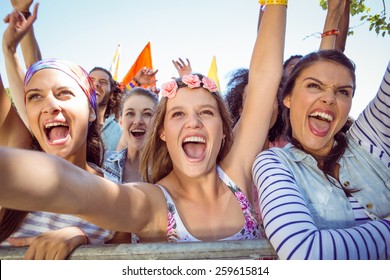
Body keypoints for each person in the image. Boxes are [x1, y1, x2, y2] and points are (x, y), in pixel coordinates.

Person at [0, 3, 288, 244]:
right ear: (162, 132)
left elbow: (264, 79)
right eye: (178, 114)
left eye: (206, 113)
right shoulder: (152, 202)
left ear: (224, 130)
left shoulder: (237, 175)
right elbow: (73, 188)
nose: (194, 123)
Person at [1, 5, 115, 259]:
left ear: (92, 110)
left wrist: (81, 237)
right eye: (35, 97)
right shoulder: (16, 158)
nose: (50, 105)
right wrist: (8, 49)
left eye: (64, 93)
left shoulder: (117, 195)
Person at [252, 51, 390, 260]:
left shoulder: (370, 139)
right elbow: (304, 254)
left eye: (343, 92)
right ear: (288, 97)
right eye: (314, 85)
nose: (329, 98)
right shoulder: (272, 162)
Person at [104, 87, 158, 183]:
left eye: (147, 114)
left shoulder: (167, 172)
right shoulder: (102, 162)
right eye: (130, 113)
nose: (138, 121)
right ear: (121, 122)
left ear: (158, 122)